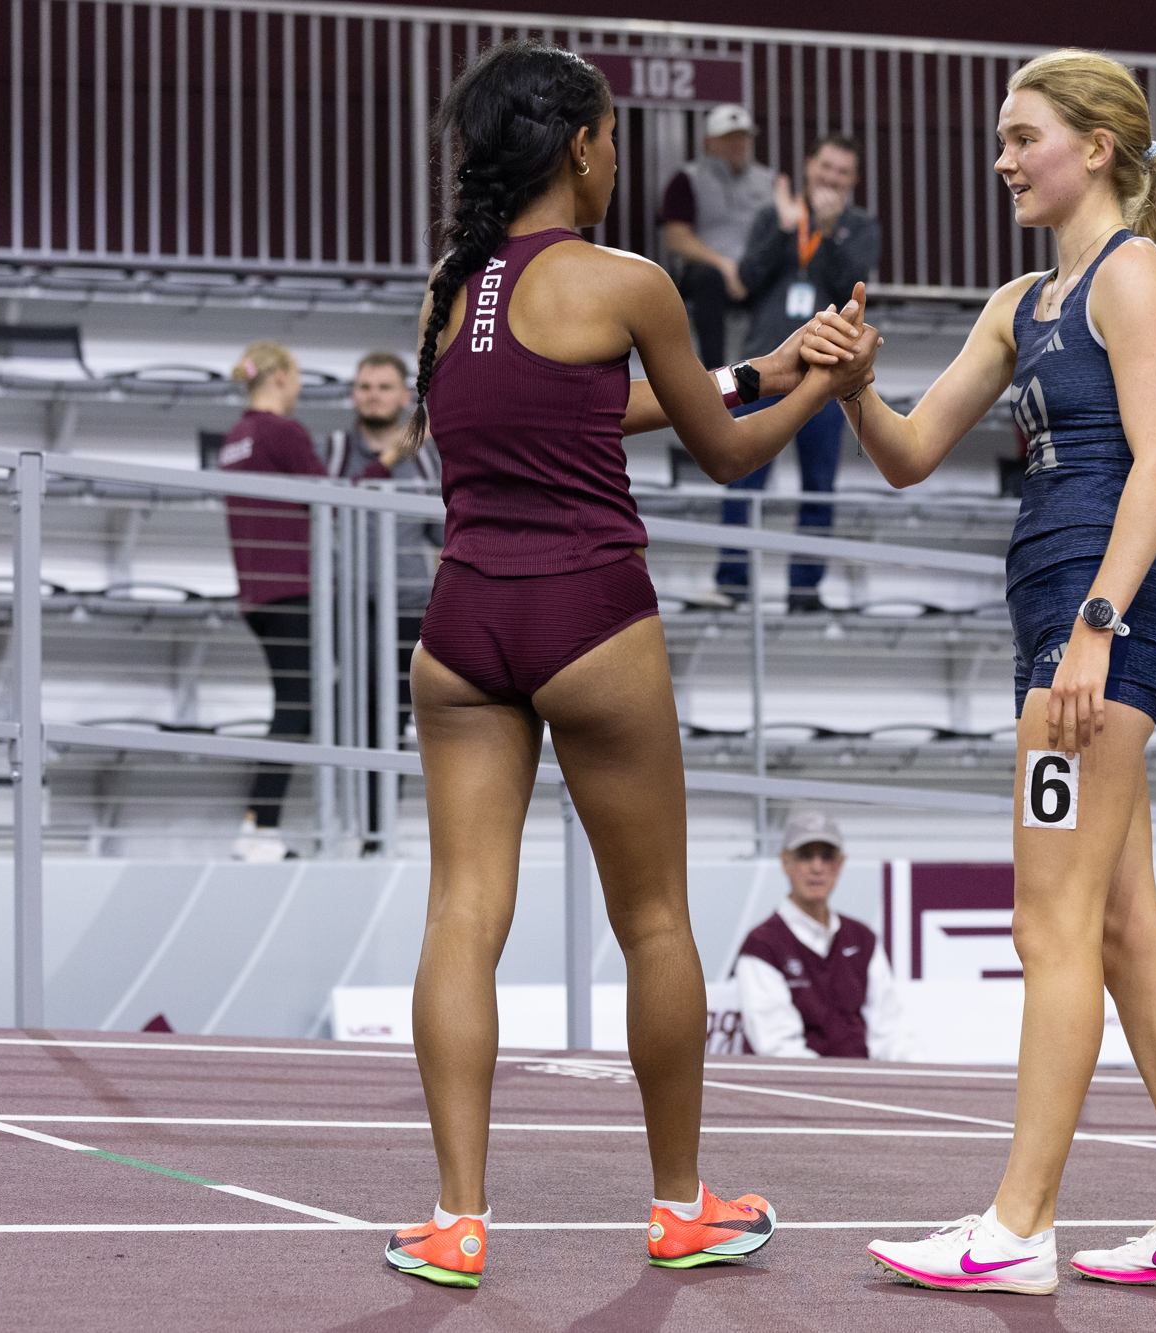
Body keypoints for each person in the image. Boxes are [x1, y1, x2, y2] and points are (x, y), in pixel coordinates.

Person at [377, 41, 877, 1289]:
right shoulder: (631, 279)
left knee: (458, 915)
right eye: (609, 138)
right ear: (579, 149)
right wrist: (822, 384)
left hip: (460, 629)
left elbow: (561, 400)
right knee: (652, 919)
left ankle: (453, 1220)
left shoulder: (446, 289)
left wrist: (758, 363)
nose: (617, 156)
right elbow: (723, 453)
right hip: (588, 616)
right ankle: (676, 1206)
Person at [825, 50, 1156, 1293]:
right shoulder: (1022, 298)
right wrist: (856, 387)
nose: (1003, 158)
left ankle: (1015, 1227)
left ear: (1099, 147)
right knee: (1124, 931)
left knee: (1047, 923)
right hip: (1064, 625)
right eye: (1001, 139)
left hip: (1094, 633)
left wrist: (1095, 624)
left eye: (1024, 137)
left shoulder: (1133, 277)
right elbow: (909, 452)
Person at [717, 134, 880, 613]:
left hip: (827, 373)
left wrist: (825, 235)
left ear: (853, 181)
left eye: (842, 173)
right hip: (766, 366)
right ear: (809, 166)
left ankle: (805, 589)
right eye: (825, 168)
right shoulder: (776, 214)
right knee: (743, 472)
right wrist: (786, 229)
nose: (831, 179)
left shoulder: (860, 226)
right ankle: (732, 582)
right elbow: (746, 280)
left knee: (820, 485)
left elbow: (853, 290)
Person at [322, 351, 440, 846]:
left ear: (402, 395)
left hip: (412, 603)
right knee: (361, 712)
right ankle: (364, 827)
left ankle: (382, 828)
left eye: (384, 387)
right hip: (354, 604)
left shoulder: (428, 455)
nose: (373, 395)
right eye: (365, 386)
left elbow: (441, 530)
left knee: (400, 717)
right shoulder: (333, 448)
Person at [218, 341, 328, 862]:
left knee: (295, 700)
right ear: (281, 377)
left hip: (256, 589)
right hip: (290, 586)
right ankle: (260, 826)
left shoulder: (236, 436)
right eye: (298, 375)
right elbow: (328, 495)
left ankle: (257, 824)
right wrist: (385, 462)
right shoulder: (283, 432)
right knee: (298, 703)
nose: (301, 386)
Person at [732, 810, 907, 1061]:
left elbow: (891, 1034)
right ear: (784, 862)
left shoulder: (862, 938)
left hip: (866, 1087)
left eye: (827, 857)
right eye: (805, 855)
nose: (817, 867)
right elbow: (777, 1047)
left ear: (841, 863)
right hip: (796, 1091)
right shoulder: (762, 945)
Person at [657, 104, 776, 370]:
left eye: (743, 137)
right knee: (707, 278)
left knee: (787, 279)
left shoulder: (768, 180)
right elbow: (677, 238)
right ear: (709, 142)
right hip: (707, 269)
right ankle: (716, 372)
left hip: (754, 268)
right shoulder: (687, 179)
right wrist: (724, 265)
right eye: (729, 137)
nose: (738, 144)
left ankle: (777, 368)